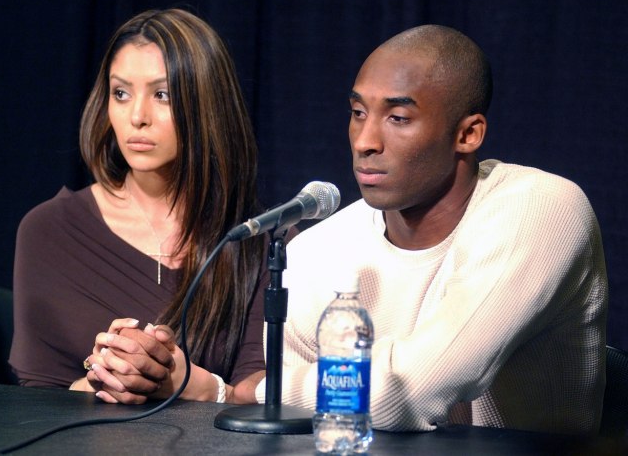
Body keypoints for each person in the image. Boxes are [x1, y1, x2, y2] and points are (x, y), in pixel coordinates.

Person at [249, 25, 608, 435]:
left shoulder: (541, 209)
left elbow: (408, 391)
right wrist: (280, 394)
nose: (365, 141)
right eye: (358, 113)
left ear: (468, 134)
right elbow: (302, 424)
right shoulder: (316, 251)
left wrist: (260, 391)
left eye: (398, 118)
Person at [9, 8, 272, 405]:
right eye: (121, 93)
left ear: (207, 105)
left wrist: (195, 385)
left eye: (162, 95)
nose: (137, 116)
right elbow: (35, 401)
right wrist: (108, 376)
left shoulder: (261, 240)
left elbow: (265, 395)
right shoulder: (48, 231)